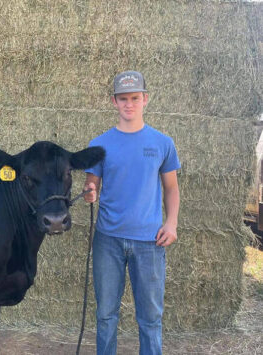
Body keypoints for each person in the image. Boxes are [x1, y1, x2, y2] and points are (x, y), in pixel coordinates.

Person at [83, 71, 180, 355]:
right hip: (108, 240)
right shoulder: (98, 145)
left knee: (150, 319)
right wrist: (90, 191)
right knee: (105, 316)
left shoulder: (162, 143)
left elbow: (171, 188)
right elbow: (92, 184)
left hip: (150, 242)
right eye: (123, 99)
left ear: (145, 99)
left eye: (135, 98)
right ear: (114, 102)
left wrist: (171, 223)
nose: (129, 104)